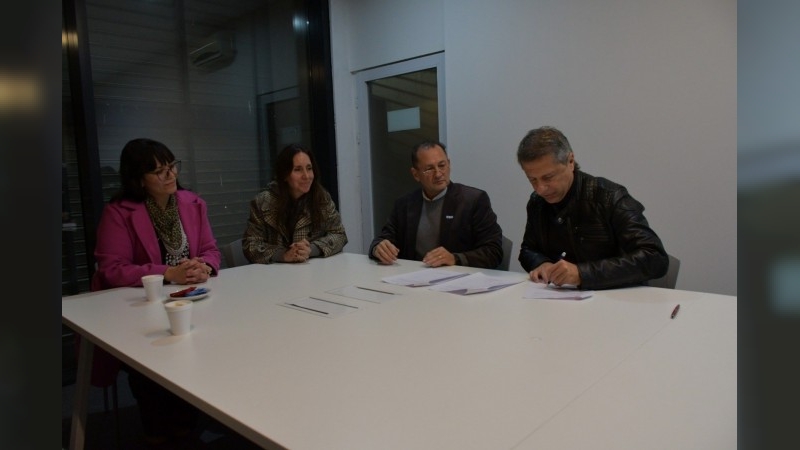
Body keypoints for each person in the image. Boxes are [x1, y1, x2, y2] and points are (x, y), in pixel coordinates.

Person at [91, 137, 221, 446]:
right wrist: (167, 273)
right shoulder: (119, 212)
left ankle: (186, 428)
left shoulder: (192, 203)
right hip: (139, 313)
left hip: (191, 304)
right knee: (150, 370)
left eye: (172, 167)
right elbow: (112, 268)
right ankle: (158, 432)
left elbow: (211, 250)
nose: (170, 175)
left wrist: (204, 266)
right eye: (159, 171)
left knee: (207, 351)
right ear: (139, 179)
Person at [516, 126, 668, 289]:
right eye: (532, 179)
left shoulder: (610, 197)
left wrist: (582, 274)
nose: (540, 189)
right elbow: (528, 249)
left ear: (570, 161)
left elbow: (654, 258)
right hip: (558, 297)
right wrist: (542, 263)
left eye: (548, 177)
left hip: (615, 296)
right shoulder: (537, 202)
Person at [369, 140, 503, 268]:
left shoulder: (474, 201)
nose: (438, 174)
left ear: (449, 164)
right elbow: (383, 239)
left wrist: (455, 258)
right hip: (413, 277)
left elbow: (493, 251)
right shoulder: (404, 204)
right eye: (429, 169)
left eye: (442, 165)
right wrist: (378, 248)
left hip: (456, 278)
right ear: (416, 174)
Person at [243, 143, 347, 263]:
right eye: (297, 169)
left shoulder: (322, 198)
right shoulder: (263, 202)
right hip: (275, 271)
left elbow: (339, 235)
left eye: (309, 168)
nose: (306, 176)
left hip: (312, 269)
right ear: (284, 175)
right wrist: (283, 255)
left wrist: (311, 249)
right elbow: (250, 245)